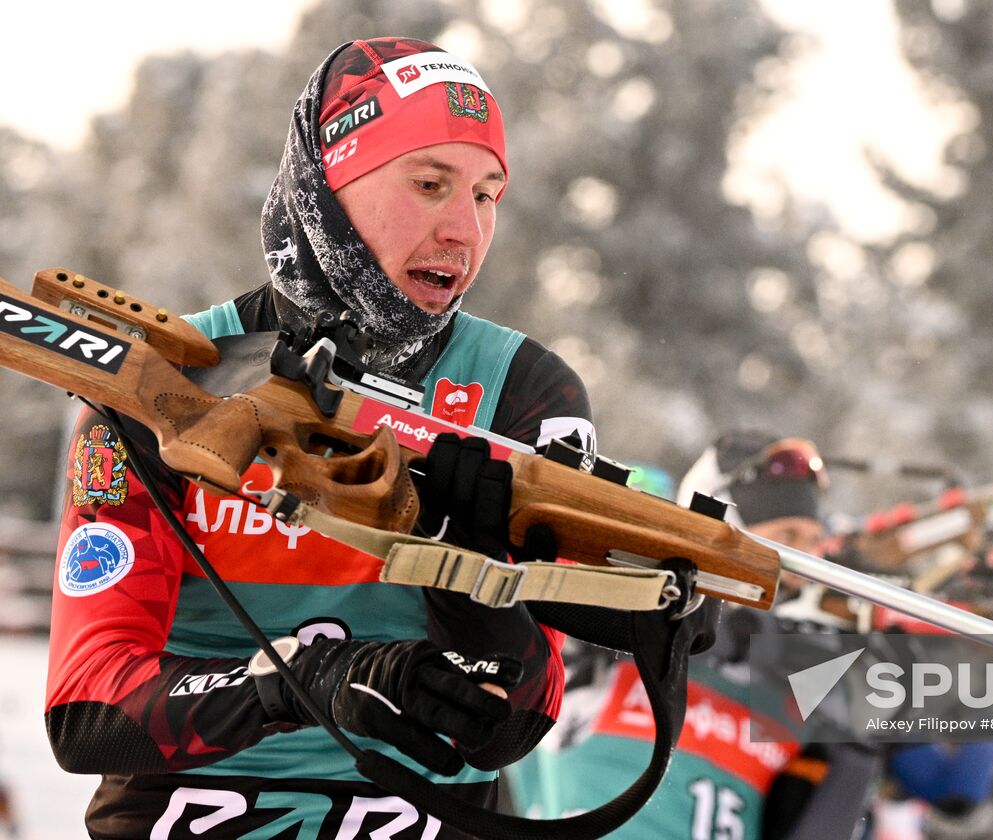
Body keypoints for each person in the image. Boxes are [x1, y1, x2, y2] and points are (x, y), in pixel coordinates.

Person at [45, 37, 594, 839]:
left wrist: (458, 566)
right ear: (329, 186)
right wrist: (300, 682)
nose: (463, 231)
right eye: (430, 184)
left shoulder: (522, 390)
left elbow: (514, 722)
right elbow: (87, 708)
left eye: (487, 194)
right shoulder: (166, 382)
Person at [508, 432, 880, 839]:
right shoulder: (619, 632)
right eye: (787, 538)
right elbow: (551, 614)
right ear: (727, 528)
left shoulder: (797, 675)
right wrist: (707, 619)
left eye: (812, 544)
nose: (799, 565)